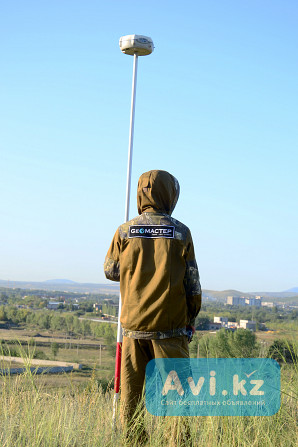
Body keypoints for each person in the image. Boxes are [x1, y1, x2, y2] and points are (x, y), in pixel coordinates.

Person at [104, 169, 202, 431]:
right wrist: (190, 320)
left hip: (133, 329)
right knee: (179, 401)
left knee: (130, 401)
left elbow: (110, 271)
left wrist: (136, 269)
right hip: (170, 330)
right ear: (170, 194)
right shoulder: (181, 233)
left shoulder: (124, 232)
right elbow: (192, 286)